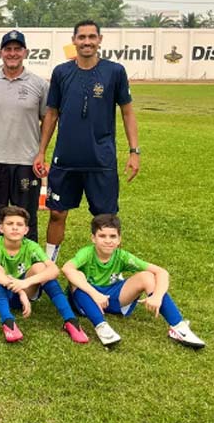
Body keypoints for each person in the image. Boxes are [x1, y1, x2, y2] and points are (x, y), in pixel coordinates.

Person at [34, 20, 140, 262]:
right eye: (82, 37)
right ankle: (49, 266)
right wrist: (41, 151)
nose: (87, 42)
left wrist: (134, 151)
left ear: (100, 40)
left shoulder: (115, 71)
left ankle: (106, 269)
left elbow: (127, 112)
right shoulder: (61, 72)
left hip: (100, 160)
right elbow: (51, 113)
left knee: (106, 220)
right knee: (57, 214)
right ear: (74, 40)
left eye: (92, 37)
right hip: (65, 159)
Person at [62, 214, 204, 349]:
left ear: (119, 239)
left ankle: (179, 327)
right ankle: (101, 326)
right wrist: (95, 294)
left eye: (113, 236)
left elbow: (162, 272)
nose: (108, 241)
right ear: (93, 238)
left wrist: (157, 296)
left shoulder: (122, 256)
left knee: (147, 276)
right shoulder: (87, 253)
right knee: (76, 276)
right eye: (102, 236)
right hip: (88, 301)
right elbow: (66, 268)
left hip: (112, 298)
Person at [0, 30, 48, 245]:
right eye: (8, 49)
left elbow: (47, 119)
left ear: (25, 52)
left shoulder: (40, 85)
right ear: (1, 53)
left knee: (26, 215)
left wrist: (40, 151)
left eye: (17, 49)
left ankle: (27, 258)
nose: (12, 53)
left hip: (26, 162)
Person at [0, 206, 88, 344]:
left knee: (41, 268)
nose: (15, 228)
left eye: (19, 224)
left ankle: (71, 321)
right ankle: (8, 322)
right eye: (10, 224)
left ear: (26, 230)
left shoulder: (31, 246)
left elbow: (54, 270)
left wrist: (25, 283)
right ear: (1, 228)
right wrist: (20, 291)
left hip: (20, 294)